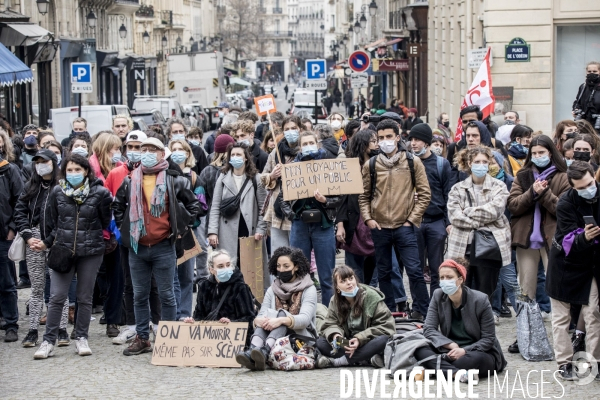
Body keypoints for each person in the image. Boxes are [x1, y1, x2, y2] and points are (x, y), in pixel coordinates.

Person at [112, 137, 200, 356]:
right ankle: (143, 337)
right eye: (144, 149)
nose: (147, 153)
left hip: (163, 245)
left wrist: (179, 227)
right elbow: (117, 206)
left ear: (162, 154)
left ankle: (168, 340)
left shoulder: (175, 179)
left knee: (167, 294)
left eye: (153, 149)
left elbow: (194, 205)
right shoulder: (130, 180)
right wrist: (127, 230)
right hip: (137, 247)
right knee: (140, 295)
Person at [33, 154, 113, 358]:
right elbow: (51, 222)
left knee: (84, 297)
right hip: (63, 250)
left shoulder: (100, 193)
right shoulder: (57, 192)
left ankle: (81, 337)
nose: (74, 173)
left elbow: (105, 221)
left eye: (78, 169)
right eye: (70, 170)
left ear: (86, 171)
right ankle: (48, 340)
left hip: (91, 251)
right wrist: (48, 242)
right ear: (64, 171)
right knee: (57, 296)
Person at [358, 119, 432, 319]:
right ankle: (389, 311)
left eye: (389, 136)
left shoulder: (411, 162)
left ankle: (422, 310)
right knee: (384, 272)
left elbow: (425, 194)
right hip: (380, 227)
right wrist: (368, 219)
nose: (385, 141)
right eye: (380, 138)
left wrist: (411, 220)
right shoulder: (371, 164)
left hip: (404, 226)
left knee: (415, 271)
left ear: (398, 138)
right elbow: (363, 196)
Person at [546, 161, 600, 379]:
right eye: (580, 187)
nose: (587, 189)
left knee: (593, 313)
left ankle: (595, 361)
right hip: (565, 264)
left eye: (590, 183)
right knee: (560, 317)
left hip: (590, 266)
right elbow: (566, 236)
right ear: (572, 187)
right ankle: (564, 362)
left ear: (593, 176)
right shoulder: (566, 203)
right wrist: (584, 237)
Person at [415, 258, 507, 382]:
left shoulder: (480, 300)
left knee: (469, 360)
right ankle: (456, 374)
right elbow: (429, 329)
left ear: (461, 279)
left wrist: (464, 350)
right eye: (442, 278)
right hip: (449, 350)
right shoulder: (438, 295)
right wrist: (451, 345)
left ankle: (432, 369)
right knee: (420, 349)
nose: (444, 281)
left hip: (477, 351)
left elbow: (488, 339)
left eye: (449, 277)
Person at [15, 149, 71, 348]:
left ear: (53, 163)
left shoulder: (62, 187)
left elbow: (65, 217)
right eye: (37, 161)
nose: (40, 164)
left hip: (57, 242)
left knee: (59, 289)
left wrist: (49, 239)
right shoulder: (30, 187)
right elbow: (19, 211)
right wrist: (28, 236)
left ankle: (62, 329)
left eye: (44, 161)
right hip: (34, 243)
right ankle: (32, 331)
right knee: (36, 288)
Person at [236, 246, 317, 371]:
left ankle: (265, 350)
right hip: (275, 334)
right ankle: (253, 350)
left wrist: (281, 320)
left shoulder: (309, 288)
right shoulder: (272, 288)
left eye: (286, 266)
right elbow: (263, 313)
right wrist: (257, 320)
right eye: (278, 266)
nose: (281, 269)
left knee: (281, 316)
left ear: (296, 267)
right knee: (268, 316)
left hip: (301, 337)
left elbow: (305, 319)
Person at [447, 146, 511, 298]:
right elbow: (454, 216)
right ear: (469, 162)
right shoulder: (458, 188)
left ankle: (484, 319)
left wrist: (468, 211)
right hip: (462, 246)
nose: (481, 165)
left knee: (486, 291)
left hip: (489, 245)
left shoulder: (499, 186)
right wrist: (479, 221)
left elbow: (495, 211)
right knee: (462, 290)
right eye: (477, 161)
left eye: (485, 161)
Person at [285, 132, 340, 306]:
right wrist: (292, 215)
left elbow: (340, 196)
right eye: (305, 143)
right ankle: (301, 312)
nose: (308, 145)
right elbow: (282, 198)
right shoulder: (292, 167)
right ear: (300, 147)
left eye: (311, 142)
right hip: (300, 224)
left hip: (323, 224)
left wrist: (326, 200)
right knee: (299, 273)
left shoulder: (328, 165)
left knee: (326, 275)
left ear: (317, 144)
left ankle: (328, 314)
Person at [409, 123, 456, 294]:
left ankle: (437, 305)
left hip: (436, 221)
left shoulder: (441, 164)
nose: (413, 143)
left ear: (427, 142)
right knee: (415, 268)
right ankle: (419, 306)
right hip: (414, 222)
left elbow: (448, 194)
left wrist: (448, 222)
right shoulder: (407, 163)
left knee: (437, 269)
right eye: (412, 140)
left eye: (418, 140)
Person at [317, 265, 395, 368]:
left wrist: (360, 339)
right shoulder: (334, 300)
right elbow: (330, 323)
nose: (349, 283)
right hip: (348, 342)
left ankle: (340, 361)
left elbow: (386, 327)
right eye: (343, 281)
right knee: (321, 342)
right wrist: (337, 336)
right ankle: (366, 359)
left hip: (367, 341)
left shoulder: (371, 297)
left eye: (351, 278)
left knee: (383, 340)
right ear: (337, 287)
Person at [208, 143, 267, 270]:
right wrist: (212, 231)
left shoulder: (256, 178)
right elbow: (215, 206)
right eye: (232, 155)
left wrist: (260, 229)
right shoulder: (222, 177)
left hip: (248, 229)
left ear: (246, 157)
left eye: (238, 154)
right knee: (228, 264)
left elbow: (264, 207)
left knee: (249, 269)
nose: (235, 157)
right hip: (226, 230)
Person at [168, 139, 205, 320]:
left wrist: (185, 217)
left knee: (186, 275)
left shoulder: (194, 178)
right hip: (169, 232)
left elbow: (200, 206)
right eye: (173, 149)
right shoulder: (166, 175)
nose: (176, 152)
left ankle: (183, 313)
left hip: (189, 231)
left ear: (188, 153)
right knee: (170, 275)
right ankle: (170, 313)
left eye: (180, 149)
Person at [183, 250, 255, 334]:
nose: (226, 269)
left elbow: (249, 319)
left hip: (233, 338)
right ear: (211, 270)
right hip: (209, 337)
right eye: (220, 266)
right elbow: (199, 315)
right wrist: (192, 321)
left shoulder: (240, 287)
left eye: (228, 265)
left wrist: (231, 323)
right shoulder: (204, 286)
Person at [260, 116, 303, 254]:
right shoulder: (275, 152)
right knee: (278, 253)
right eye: (287, 129)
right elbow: (262, 177)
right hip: (277, 209)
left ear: (300, 129)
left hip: (297, 207)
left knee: (297, 253)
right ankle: (278, 276)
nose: (290, 132)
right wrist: (272, 175)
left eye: (293, 128)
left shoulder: (305, 150)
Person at [0, 129, 24, 342]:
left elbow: (19, 201)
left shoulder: (9, 170)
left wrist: (12, 228)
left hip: (3, 235)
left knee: (6, 282)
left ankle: (10, 324)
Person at [573, 61, 600, 132]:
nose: (591, 73)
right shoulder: (583, 87)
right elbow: (577, 101)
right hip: (584, 124)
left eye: (594, 71)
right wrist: (575, 110)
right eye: (589, 71)